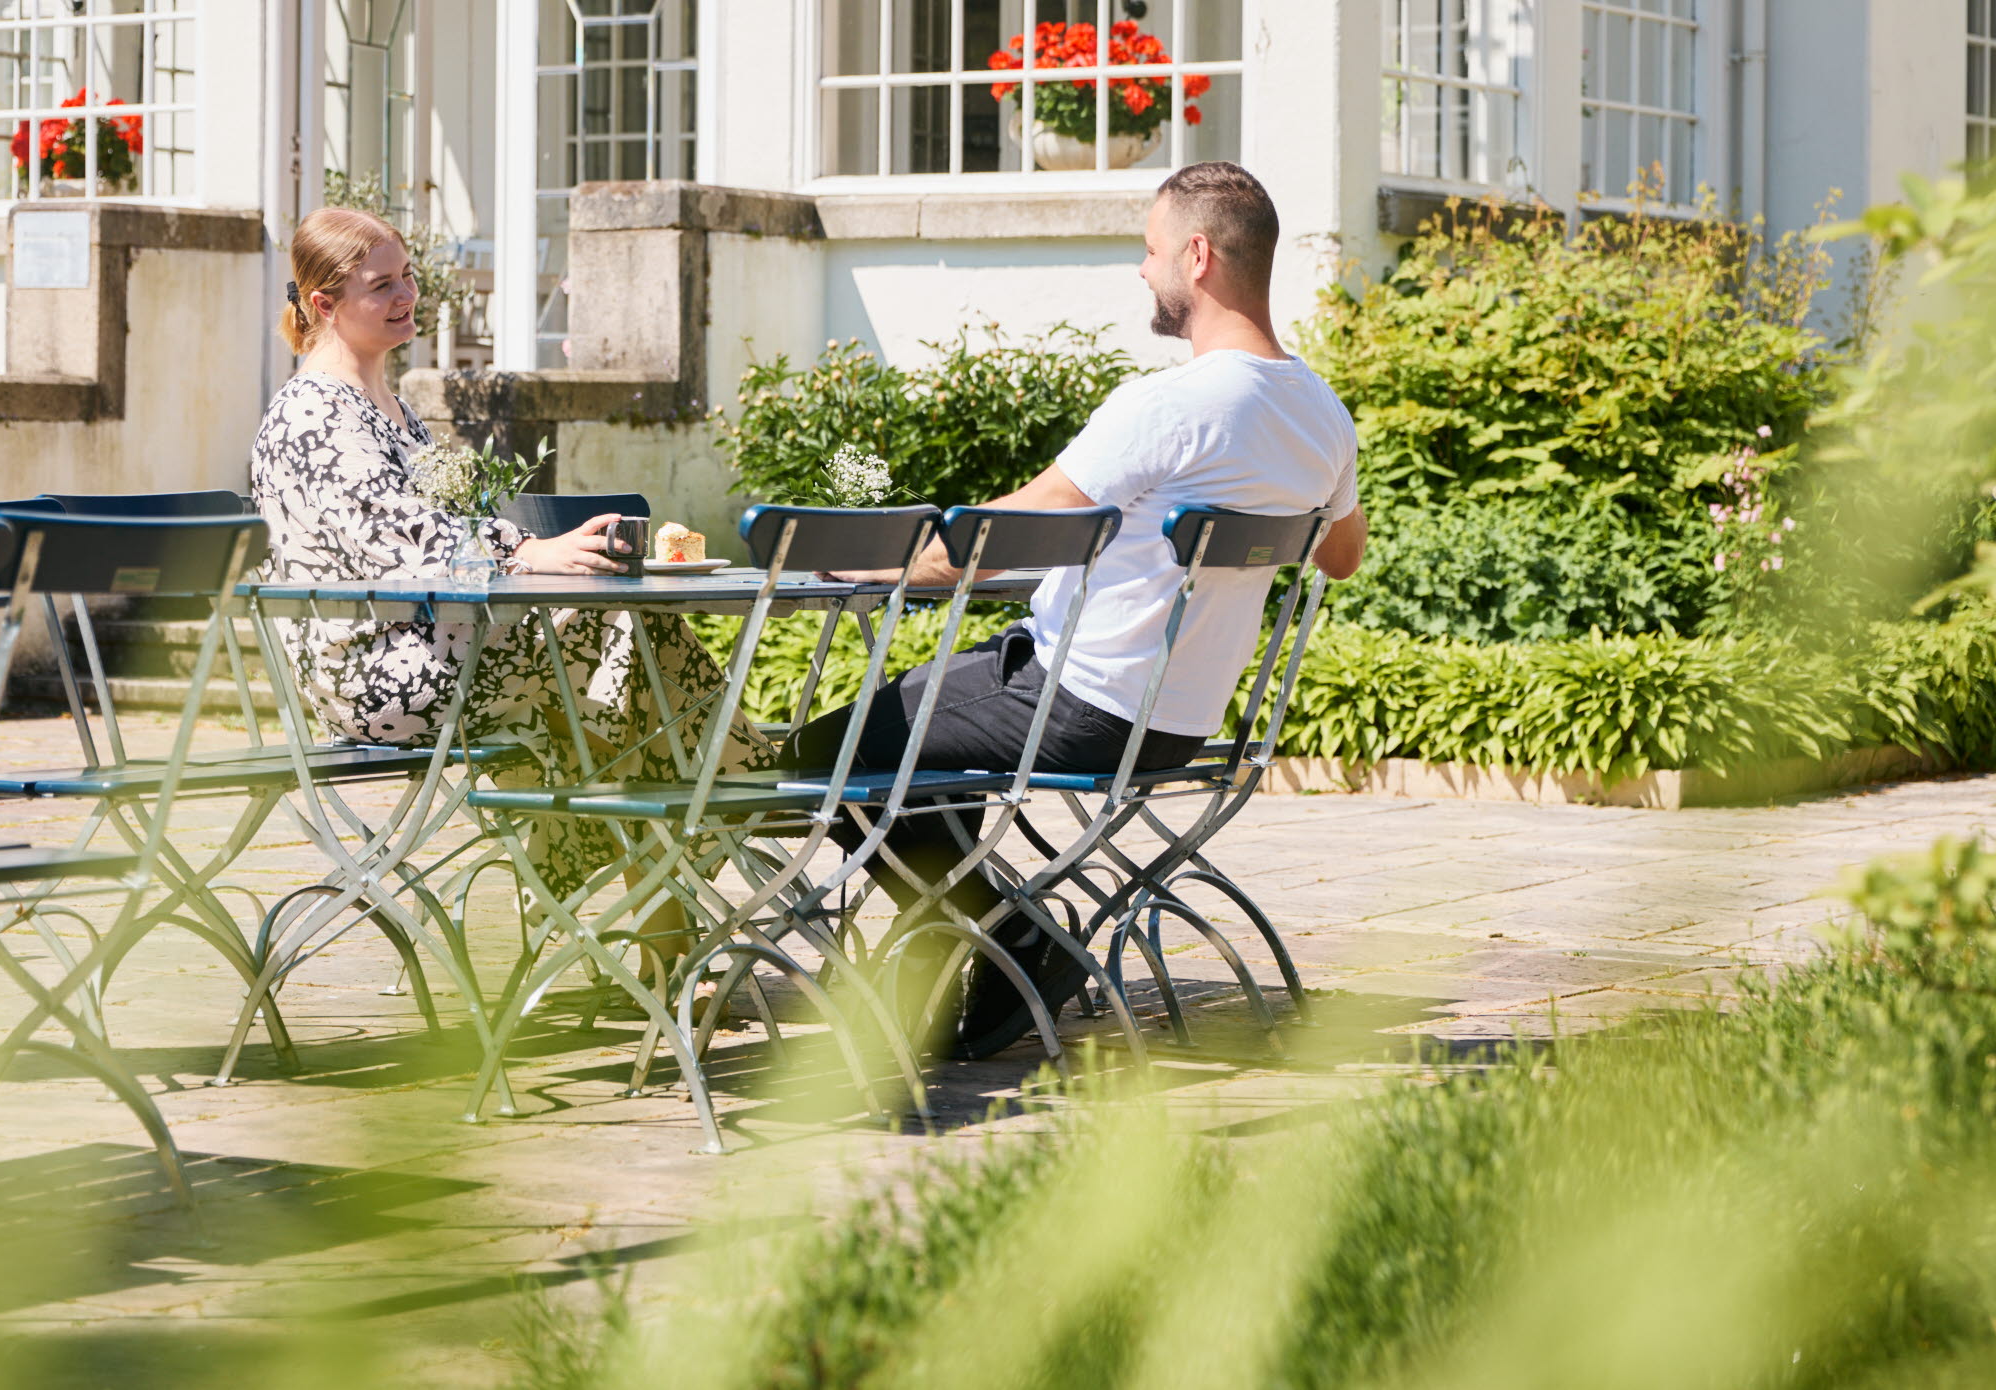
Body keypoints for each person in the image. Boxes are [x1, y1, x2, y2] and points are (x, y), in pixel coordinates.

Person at [788, 161, 1369, 1059]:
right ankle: (961, 949)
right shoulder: (1322, 416)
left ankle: (1014, 941)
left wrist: (868, 561)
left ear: (1199, 255)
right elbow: (1339, 555)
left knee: (829, 752)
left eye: (1149, 251)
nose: (1143, 270)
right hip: (1178, 724)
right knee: (925, 735)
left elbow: (993, 543)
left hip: (1080, 700)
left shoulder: (1169, 408)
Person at [249, 206, 756, 948]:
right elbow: (397, 543)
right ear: (324, 304)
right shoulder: (315, 413)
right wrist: (527, 553)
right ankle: (722, 825)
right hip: (373, 674)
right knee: (615, 632)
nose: (405, 296)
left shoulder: (387, 404)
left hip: (437, 642)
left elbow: (451, 525)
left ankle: (659, 889)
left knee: (620, 637)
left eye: (409, 276)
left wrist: (530, 551)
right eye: (382, 285)